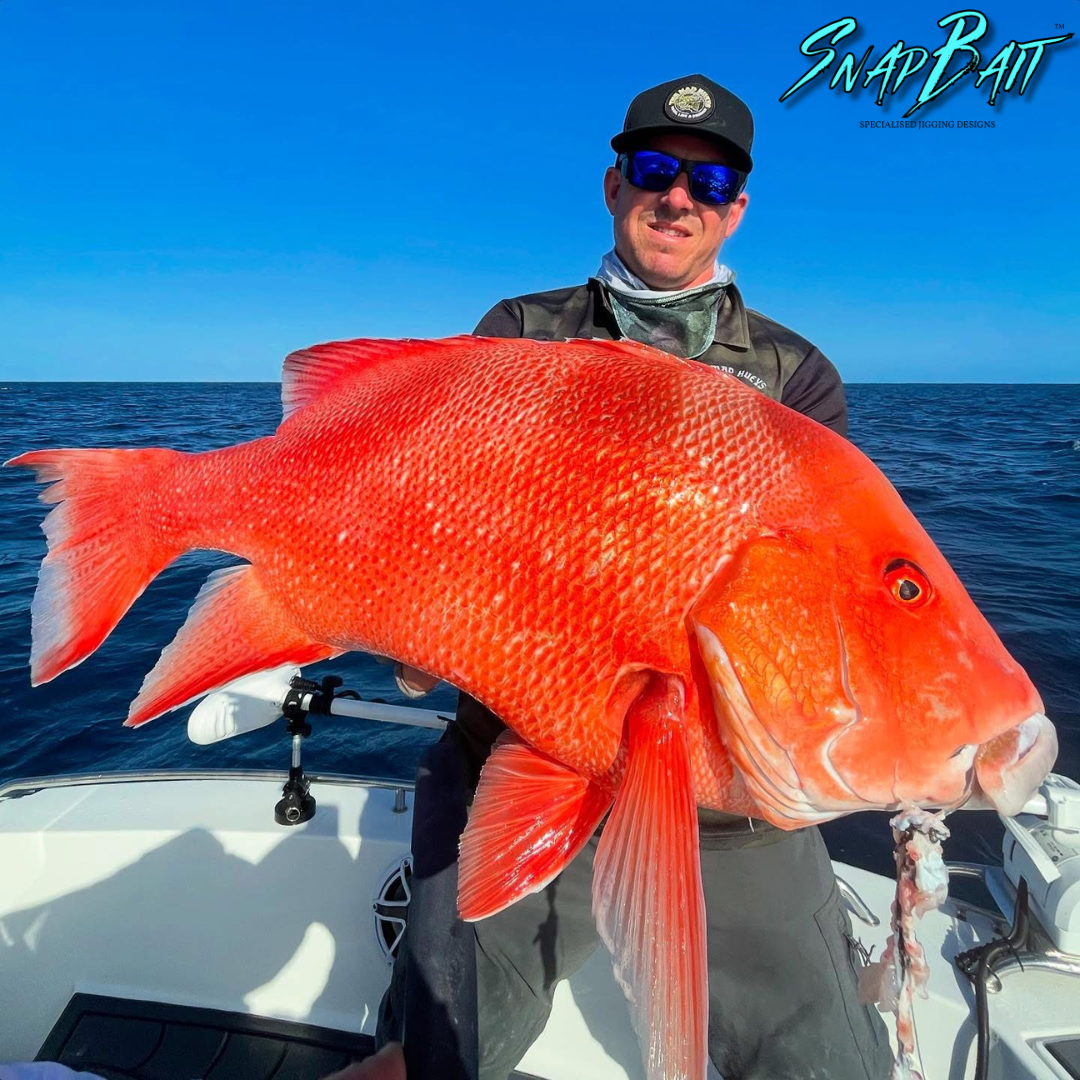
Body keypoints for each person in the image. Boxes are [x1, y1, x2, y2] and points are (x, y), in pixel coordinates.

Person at [379, 75, 892, 1080]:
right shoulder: (520, 330)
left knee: (824, 1059)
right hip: (518, 745)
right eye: (656, 171)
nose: (679, 198)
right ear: (616, 184)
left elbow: (815, 586)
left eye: (710, 182)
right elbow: (453, 504)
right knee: (443, 1043)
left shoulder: (796, 374)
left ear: (737, 206)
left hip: (719, 799)